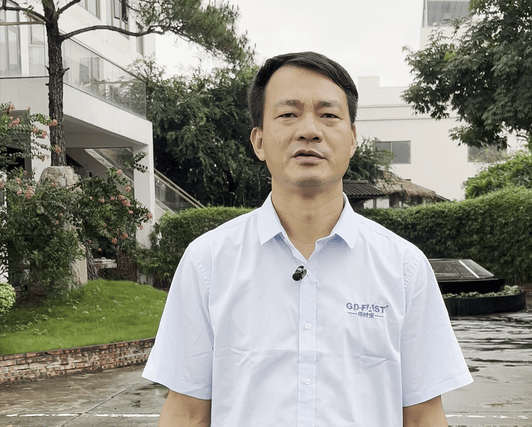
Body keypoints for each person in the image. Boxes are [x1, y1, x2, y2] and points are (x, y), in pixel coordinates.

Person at [142, 51, 473, 427]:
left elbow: (424, 417)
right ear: (259, 141)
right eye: (288, 114)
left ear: (352, 139)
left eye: (328, 115)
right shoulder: (208, 262)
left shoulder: (405, 267)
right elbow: (186, 414)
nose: (309, 131)